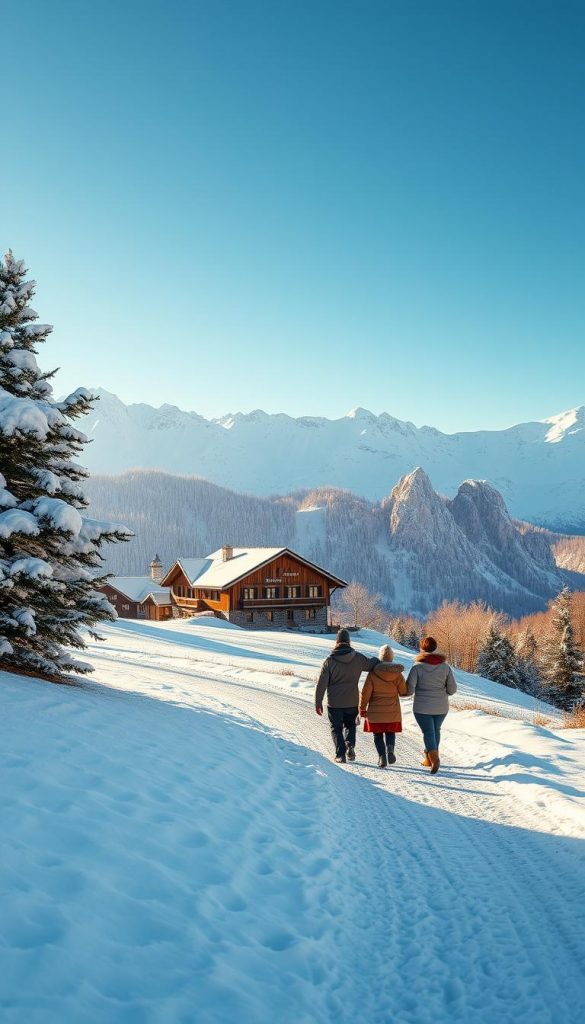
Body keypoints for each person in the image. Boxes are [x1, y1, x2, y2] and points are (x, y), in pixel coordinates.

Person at [315, 628, 379, 763]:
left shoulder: (329, 661)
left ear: (336, 641)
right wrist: (379, 659)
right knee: (350, 725)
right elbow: (371, 664)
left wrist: (318, 702)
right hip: (352, 701)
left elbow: (322, 684)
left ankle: (340, 754)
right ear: (349, 641)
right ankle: (350, 745)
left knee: (336, 728)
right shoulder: (358, 658)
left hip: (334, 703)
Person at [406, 636, 457, 774]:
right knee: (436, 731)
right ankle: (429, 759)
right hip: (441, 707)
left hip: (422, 707)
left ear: (421, 649)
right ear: (435, 648)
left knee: (428, 732)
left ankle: (434, 760)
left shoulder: (417, 667)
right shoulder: (445, 667)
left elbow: (409, 690)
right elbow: (452, 690)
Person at [359, 644, 407, 768]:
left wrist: (362, 708)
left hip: (375, 712)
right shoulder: (397, 674)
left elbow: (365, 693)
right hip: (392, 711)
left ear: (380, 657)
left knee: (377, 735)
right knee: (390, 732)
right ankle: (390, 749)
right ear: (392, 657)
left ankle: (382, 757)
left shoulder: (373, 673)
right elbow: (403, 692)